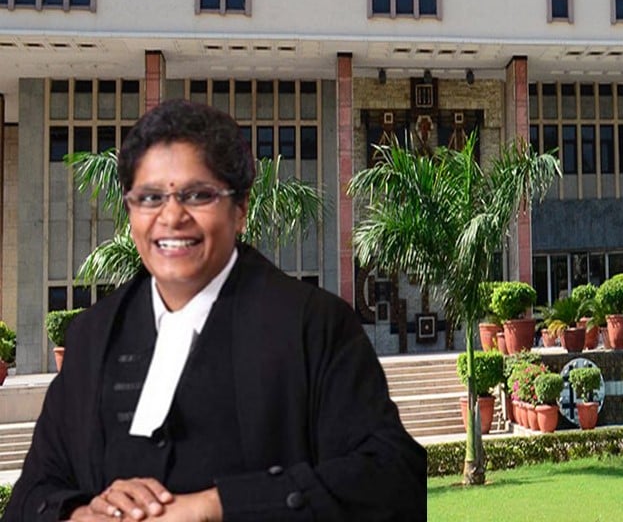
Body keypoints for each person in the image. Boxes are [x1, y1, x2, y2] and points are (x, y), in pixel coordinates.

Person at [3, 99, 427, 521]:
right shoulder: (92, 335)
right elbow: (30, 495)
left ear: (240, 209)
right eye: (149, 197)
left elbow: (392, 480)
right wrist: (78, 514)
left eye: (198, 195)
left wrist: (213, 506)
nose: (172, 216)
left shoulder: (314, 325)